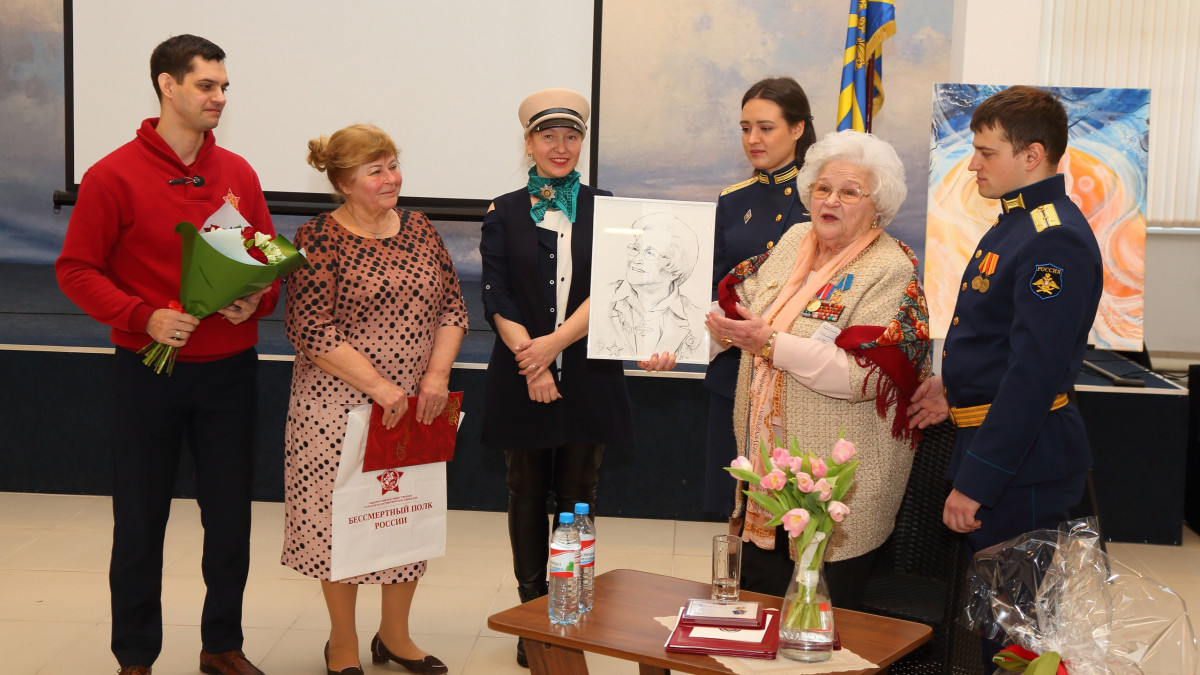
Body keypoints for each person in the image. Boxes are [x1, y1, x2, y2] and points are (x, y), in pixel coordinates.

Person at [55, 34, 272, 675]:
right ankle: (135, 657)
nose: (219, 97)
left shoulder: (238, 173)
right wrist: (141, 316)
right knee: (140, 521)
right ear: (167, 86)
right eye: (206, 85)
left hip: (230, 373)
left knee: (230, 521)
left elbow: (265, 261)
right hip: (146, 374)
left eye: (224, 87)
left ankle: (221, 646)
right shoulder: (111, 174)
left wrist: (255, 300)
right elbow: (75, 269)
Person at [478, 88, 675, 668]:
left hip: (589, 373)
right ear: (529, 143)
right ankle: (531, 616)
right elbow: (495, 293)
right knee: (524, 493)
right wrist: (532, 360)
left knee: (578, 498)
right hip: (520, 372)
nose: (560, 147)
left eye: (571, 137)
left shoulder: (608, 208)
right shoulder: (503, 210)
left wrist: (552, 348)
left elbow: (615, 285)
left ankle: (565, 612)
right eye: (548, 136)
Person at [705, 130, 932, 609]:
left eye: (850, 192)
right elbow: (740, 313)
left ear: (878, 205)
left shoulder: (890, 268)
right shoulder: (795, 240)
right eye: (823, 188)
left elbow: (863, 377)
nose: (831, 200)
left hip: (837, 486)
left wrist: (771, 344)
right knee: (761, 610)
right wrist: (676, 345)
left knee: (821, 619)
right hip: (766, 477)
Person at [282, 124, 466, 675]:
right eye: (375, 171)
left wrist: (435, 377)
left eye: (393, 165)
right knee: (340, 522)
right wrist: (382, 388)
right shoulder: (317, 237)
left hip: (417, 406)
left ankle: (395, 636)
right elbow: (310, 327)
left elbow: (452, 307)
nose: (391, 179)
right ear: (343, 183)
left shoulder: (420, 227)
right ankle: (342, 642)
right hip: (335, 410)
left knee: (406, 516)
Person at [907, 86, 1103, 552]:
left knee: (1014, 599)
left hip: (1022, 466)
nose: (973, 164)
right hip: (999, 446)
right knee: (990, 597)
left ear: (1032, 155)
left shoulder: (1053, 238)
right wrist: (955, 387)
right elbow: (1000, 339)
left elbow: (1034, 374)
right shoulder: (1019, 223)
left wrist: (980, 480)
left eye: (986, 153)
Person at [704, 77, 815, 518]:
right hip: (734, 371)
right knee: (732, 504)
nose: (753, 139)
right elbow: (714, 285)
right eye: (745, 128)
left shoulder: (823, 197)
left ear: (798, 128)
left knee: (792, 507)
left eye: (766, 128)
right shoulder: (734, 200)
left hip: (797, 373)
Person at [594, 212, 703, 359]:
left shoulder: (697, 319)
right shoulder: (600, 297)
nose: (636, 259)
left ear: (675, 269)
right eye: (635, 249)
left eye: (650, 253)